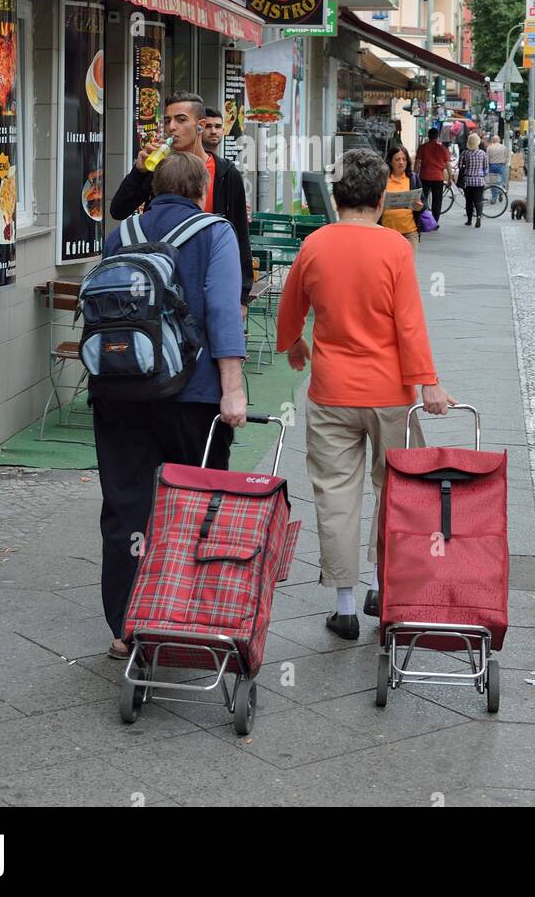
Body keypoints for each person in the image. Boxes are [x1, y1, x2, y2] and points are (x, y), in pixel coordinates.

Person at [276, 150, 456, 639]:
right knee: (394, 488)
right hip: (391, 392)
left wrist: (294, 342)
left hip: (332, 391)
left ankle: (346, 604)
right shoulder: (396, 248)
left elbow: (291, 304)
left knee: (336, 493)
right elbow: (409, 323)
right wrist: (429, 382)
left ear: (336, 198)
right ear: (381, 199)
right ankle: (382, 582)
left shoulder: (314, 244)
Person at [94, 152, 248, 659]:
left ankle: (124, 626)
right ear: (201, 189)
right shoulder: (215, 232)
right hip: (192, 395)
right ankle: (182, 615)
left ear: (152, 189)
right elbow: (224, 310)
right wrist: (233, 388)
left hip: (117, 390)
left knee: (127, 504)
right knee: (195, 505)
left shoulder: (123, 236)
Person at [109, 91, 253, 313]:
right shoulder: (158, 168)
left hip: (207, 282)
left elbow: (240, 235)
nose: (171, 127)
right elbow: (118, 210)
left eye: (181, 119)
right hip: (160, 283)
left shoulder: (226, 173)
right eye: (167, 120)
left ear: (200, 125)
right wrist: (138, 172)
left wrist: (242, 297)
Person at [380, 144, 423, 243]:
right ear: (390, 161)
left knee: (408, 259)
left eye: (404, 159)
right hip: (386, 232)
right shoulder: (383, 179)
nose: (401, 162)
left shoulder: (413, 178)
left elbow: (423, 203)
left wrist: (420, 207)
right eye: (397, 159)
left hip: (409, 232)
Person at [414, 126, 452, 221]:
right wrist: (450, 178)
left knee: (422, 199)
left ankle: (422, 220)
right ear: (437, 136)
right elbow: (448, 165)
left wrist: (414, 175)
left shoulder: (422, 147)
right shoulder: (442, 149)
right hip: (438, 178)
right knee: (437, 201)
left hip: (424, 177)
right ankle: (435, 221)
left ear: (428, 136)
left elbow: (418, 163)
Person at [458, 131, 488, 228]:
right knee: (478, 200)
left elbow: (460, 166)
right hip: (479, 180)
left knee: (469, 201)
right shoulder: (483, 153)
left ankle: (469, 220)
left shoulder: (465, 153)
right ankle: (478, 217)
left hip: (468, 181)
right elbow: (486, 168)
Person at [486, 134, 510, 201]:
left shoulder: (489, 147)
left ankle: (494, 198)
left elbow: (487, 158)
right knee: (501, 180)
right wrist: (505, 164)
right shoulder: (504, 147)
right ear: (499, 140)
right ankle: (501, 190)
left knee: (493, 182)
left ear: (493, 140)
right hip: (501, 165)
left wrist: (487, 167)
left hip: (492, 166)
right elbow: (507, 157)